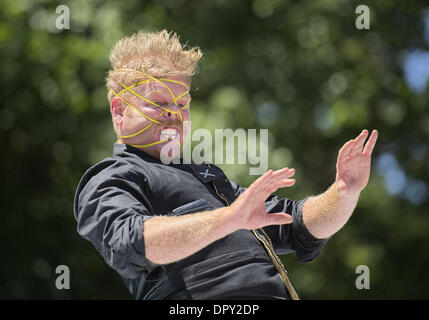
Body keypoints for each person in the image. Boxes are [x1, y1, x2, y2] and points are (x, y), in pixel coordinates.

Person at [73, 30, 378, 300]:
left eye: (182, 105)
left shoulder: (207, 178)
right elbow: (129, 243)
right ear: (118, 111)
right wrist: (231, 218)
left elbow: (297, 224)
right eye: (158, 102)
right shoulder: (110, 177)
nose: (174, 114)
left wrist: (344, 191)